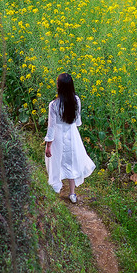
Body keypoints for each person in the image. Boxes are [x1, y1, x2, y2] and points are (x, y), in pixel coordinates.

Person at [44, 72, 95, 203]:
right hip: (72, 135)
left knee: (56, 162)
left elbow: (51, 127)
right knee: (71, 162)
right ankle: (72, 194)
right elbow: (77, 122)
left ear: (59, 86)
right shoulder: (76, 100)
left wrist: (48, 145)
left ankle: (56, 189)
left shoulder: (54, 105)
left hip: (57, 137)